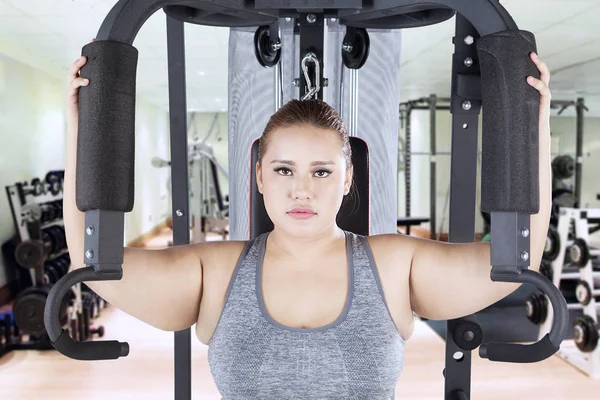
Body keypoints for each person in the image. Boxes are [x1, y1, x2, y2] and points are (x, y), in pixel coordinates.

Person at [63, 51, 552, 399]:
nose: (302, 190)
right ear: (258, 175)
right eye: (283, 170)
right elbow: (96, 265)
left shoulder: (393, 263)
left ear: (347, 179)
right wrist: (78, 129)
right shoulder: (214, 270)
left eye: (322, 171)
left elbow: (517, 260)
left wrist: (535, 124)